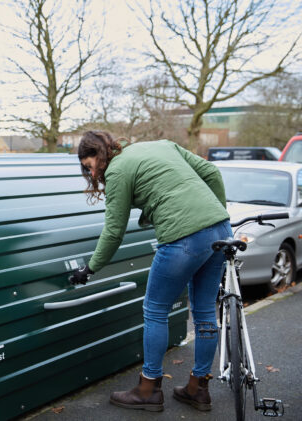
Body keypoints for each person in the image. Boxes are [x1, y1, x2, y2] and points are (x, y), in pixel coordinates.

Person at [68, 130, 232, 412]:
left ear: (100, 154)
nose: (90, 171)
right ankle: (198, 388)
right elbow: (212, 173)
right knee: (205, 311)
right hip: (221, 229)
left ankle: (148, 388)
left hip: (183, 238)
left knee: (155, 309)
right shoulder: (162, 144)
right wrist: (217, 214)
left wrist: (91, 267)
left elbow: (114, 230)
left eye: (89, 164)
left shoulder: (117, 170)